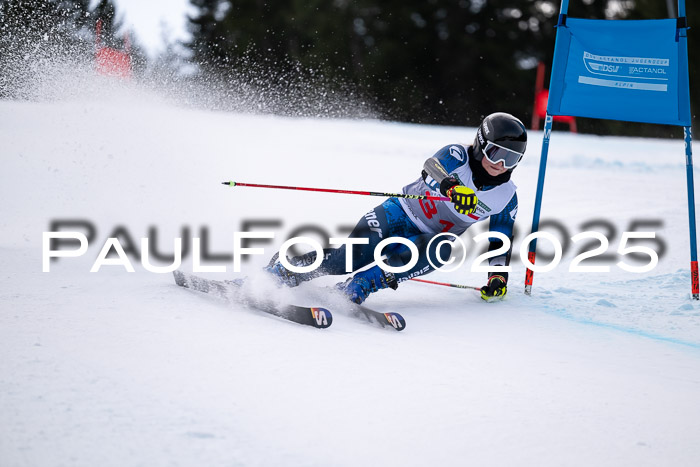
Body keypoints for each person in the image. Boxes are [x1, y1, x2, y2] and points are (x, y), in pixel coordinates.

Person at [266, 112, 527, 304]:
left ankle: (361, 284)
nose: (501, 163)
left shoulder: (505, 196)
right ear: (481, 144)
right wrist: (452, 188)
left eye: (511, 158)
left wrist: (498, 277)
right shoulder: (458, 155)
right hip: (398, 214)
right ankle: (285, 270)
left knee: (441, 249)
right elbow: (431, 168)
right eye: (495, 153)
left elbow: (500, 239)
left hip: (428, 240)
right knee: (348, 259)